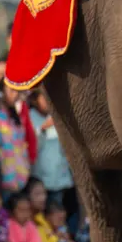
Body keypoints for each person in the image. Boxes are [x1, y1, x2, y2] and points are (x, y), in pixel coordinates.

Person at [28, 91, 78, 231]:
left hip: (61, 179)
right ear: (34, 100)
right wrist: (42, 130)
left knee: (61, 216)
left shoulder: (56, 117)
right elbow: (31, 149)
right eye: (44, 97)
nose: (48, 101)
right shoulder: (30, 118)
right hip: (42, 181)